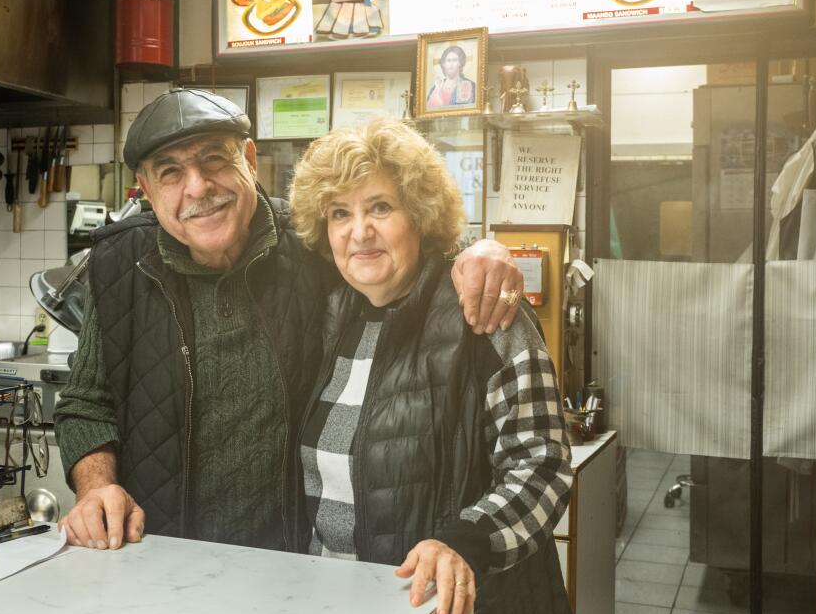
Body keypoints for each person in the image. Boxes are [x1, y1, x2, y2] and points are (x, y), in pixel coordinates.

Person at [54, 89, 527, 553]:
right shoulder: (120, 264)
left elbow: (398, 251)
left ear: (250, 160)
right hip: (156, 555)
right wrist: (95, 487)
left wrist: (478, 252)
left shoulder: (309, 244)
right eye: (170, 173)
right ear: (147, 189)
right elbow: (84, 403)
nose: (197, 187)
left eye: (214, 160)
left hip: (290, 564)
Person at [288, 119, 575, 614]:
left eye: (380, 207)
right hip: (342, 612)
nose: (360, 231)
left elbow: (543, 463)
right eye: (340, 214)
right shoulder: (328, 317)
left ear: (420, 215)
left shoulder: (482, 312)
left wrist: (465, 542)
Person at [425, 44, 476, 109]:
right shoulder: (435, 88)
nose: (451, 64)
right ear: (443, 64)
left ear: (460, 63)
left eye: (454, 60)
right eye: (448, 60)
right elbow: (428, 110)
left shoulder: (469, 85)